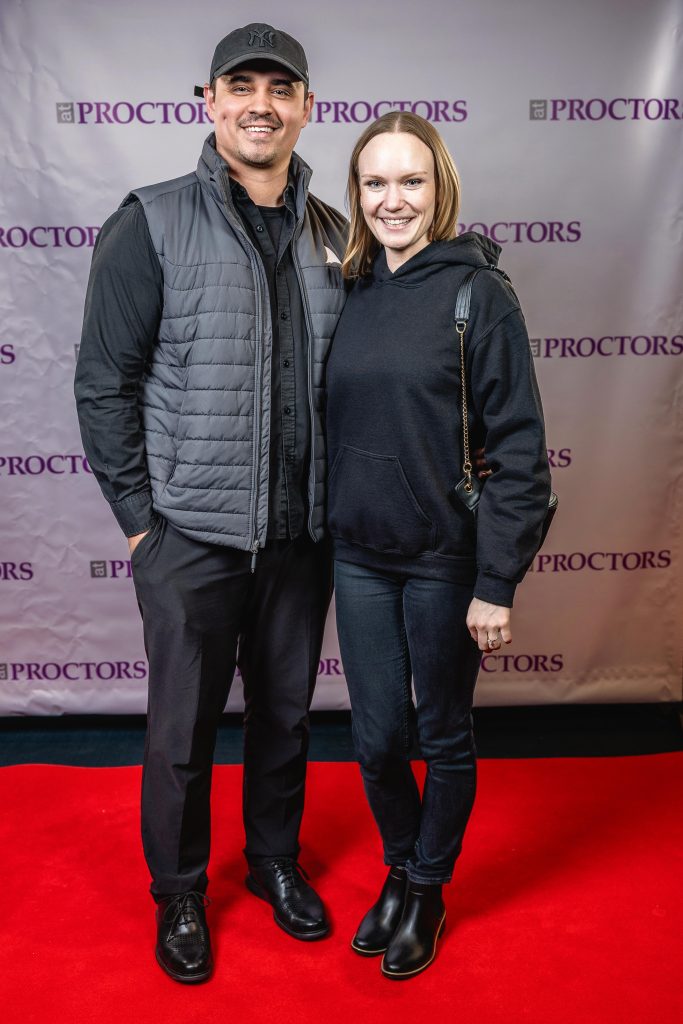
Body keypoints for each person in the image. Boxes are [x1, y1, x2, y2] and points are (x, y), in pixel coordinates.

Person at [75, 23, 348, 983]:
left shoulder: (337, 233)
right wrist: (140, 525)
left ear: (306, 106)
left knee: (286, 717)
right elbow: (104, 382)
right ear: (210, 101)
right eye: (242, 85)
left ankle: (273, 860)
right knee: (182, 729)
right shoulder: (150, 220)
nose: (260, 104)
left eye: (280, 88)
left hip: (300, 534)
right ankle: (181, 891)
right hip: (188, 534)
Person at [325, 112, 551, 979]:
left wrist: (496, 580)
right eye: (375, 182)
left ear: (439, 188)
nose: (393, 200)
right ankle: (399, 867)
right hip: (357, 553)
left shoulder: (477, 294)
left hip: (442, 560)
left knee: (442, 733)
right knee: (378, 739)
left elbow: (520, 451)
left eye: (410, 181)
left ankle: (427, 887)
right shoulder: (349, 289)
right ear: (357, 194)